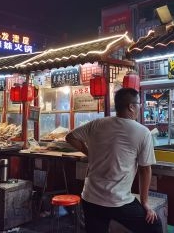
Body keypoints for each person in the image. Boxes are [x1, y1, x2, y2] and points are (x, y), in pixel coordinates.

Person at [66, 88, 162, 233]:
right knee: (153, 225)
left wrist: (89, 152)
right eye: (139, 104)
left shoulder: (97, 124)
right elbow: (145, 170)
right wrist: (145, 203)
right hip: (118, 201)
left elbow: (70, 137)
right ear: (131, 106)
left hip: (90, 198)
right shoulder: (143, 132)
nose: (139, 108)